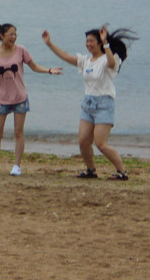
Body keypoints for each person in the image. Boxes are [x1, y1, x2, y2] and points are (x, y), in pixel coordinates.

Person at [0, 23, 61, 175]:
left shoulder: (21, 50)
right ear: (1, 36)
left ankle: (16, 166)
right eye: (10, 34)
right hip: (1, 99)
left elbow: (34, 67)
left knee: (18, 132)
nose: (13, 37)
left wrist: (49, 71)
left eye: (15, 34)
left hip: (20, 98)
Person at [42, 25, 138, 179]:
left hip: (104, 103)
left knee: (101, 143)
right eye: (87, 41)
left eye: (92, 41)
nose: (88, 44)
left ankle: (122, 171)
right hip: (88, 103)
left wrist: (106, 43)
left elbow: (112, 64)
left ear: (100, 43)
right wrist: (49, 43)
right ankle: (91, 170)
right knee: (83, 141)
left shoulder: (109, 58)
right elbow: (66, 56)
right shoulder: (86, 60)